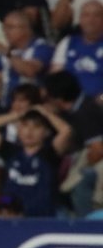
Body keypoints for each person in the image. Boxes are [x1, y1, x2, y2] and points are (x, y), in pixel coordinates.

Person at [0, 107, 73, 218]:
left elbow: (66, 130)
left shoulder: (49, 153)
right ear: (18, 129)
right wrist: (18, 114)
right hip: (13, 216)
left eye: (36, 127)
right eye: (25, 126)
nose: (29, 131)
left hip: (43, 216)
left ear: (46, 132)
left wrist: (46, 113)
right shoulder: (10, 151)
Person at [44, 71, 103, 216]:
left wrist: (80, 169)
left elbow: (97, 150)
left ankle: (86, 227)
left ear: (57, 98)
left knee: (78, 185)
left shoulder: (86, 111)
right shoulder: (79, 107)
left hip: (95, 162)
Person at [0, 11, 53, 109]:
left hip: (32, 107)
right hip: (6, 105)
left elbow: (30, 71)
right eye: (4, 27)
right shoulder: (6, 52)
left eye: (10, 27)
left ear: (26, 29)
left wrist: (3, 50)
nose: (5, 31)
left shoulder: (41, 47)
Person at [52, 1, 103, 99]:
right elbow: (55, 76)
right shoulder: (67, 42)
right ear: (80, 20)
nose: (91, 20)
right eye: (86, 15)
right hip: (68, 103)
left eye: (97, 15)